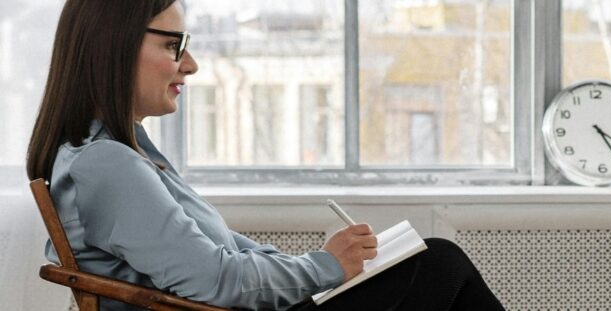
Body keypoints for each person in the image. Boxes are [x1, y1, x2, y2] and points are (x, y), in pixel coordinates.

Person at [25, 1, 505, 310]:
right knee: (439, 263)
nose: (190, 65)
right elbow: (216, 278)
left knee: (433, 266)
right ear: (115, 48)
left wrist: (326, 267)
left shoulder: (122, 154)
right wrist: (326, 267)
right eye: (175, 46)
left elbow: (227, 254)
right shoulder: (105, 164)